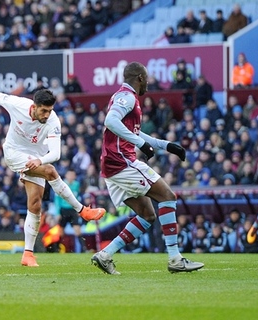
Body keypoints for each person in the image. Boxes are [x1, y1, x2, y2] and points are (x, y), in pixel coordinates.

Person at [0, 89, 105, 267]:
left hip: (36, 158)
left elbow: (55, 153)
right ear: (34, 107)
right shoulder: (17, 104)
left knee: (35, 204)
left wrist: (39, 160)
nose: (47, 115)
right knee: (49, 171)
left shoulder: (53, 121)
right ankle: (82, 211)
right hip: (13, 153)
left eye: (50, 110)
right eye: (44, 111)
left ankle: (28, 254)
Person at [90, 61, 204, 274]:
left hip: (112, 166)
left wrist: (166, 146)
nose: (149, 84)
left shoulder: (124, 98)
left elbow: (132, 131)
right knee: (168, 196)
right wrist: (141, 145)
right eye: (148, 79)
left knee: (148, 215)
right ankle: (175, 259)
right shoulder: (127, 97)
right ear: (140, 78)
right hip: (121, 161)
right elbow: (111, 121)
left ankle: (105, 255)